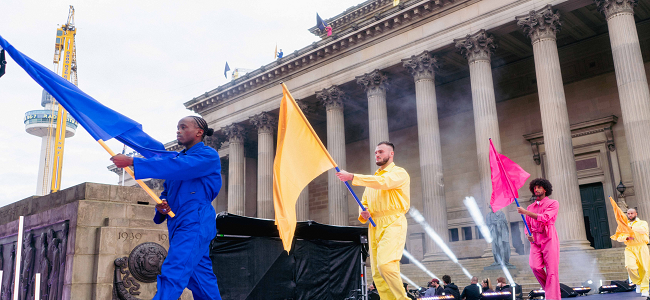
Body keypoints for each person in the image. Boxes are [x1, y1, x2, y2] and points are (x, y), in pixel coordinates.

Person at [111, 116, 222, 300]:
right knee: (201, 281)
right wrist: (162, 207)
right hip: (179, 222)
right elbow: (167, 191)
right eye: (177, 127)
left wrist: (133, 162)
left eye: (183, 127)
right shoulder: (178, 159)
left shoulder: (207, 155)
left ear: (199, 132)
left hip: (195, 221)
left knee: (174, 271)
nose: (178, 131)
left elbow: (180, 167)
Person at [336, 141, 410, 300]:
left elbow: (384, 183)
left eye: (381, 152)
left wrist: (353, 177)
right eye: (376, 152)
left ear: (391, 154)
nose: (377, 154)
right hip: (374, 225)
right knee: (377, 273)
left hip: (393, 221)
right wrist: (363, 213)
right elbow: (364, 203)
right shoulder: (372, 181)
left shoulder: (399, 173)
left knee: (386, 265)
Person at [516, 178, 559, 300]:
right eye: (535, 188)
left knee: (551, 272)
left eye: (539, 187)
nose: (536, 189)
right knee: (535, 266)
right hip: (535, 240)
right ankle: (551, 291)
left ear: (545, 189)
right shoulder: (530, 207)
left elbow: (545, 218)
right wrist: (528, 235)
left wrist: (526, 212)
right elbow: (527, 225)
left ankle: (552, 297)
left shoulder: (553, 203)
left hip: (549, 238)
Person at [614, 208, 650, 297]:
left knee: (645, 269)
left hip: (642, 247)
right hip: (630, 248)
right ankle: (638, 283)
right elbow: (619, 237)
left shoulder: (642, 222)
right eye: (628, 213)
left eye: (631, 213)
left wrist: (630, 227)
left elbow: (644, 230)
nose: (630, 215)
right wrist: (625, 238)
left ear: (636, 214)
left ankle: (645, 289)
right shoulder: (623, 225)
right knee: (630, 266)